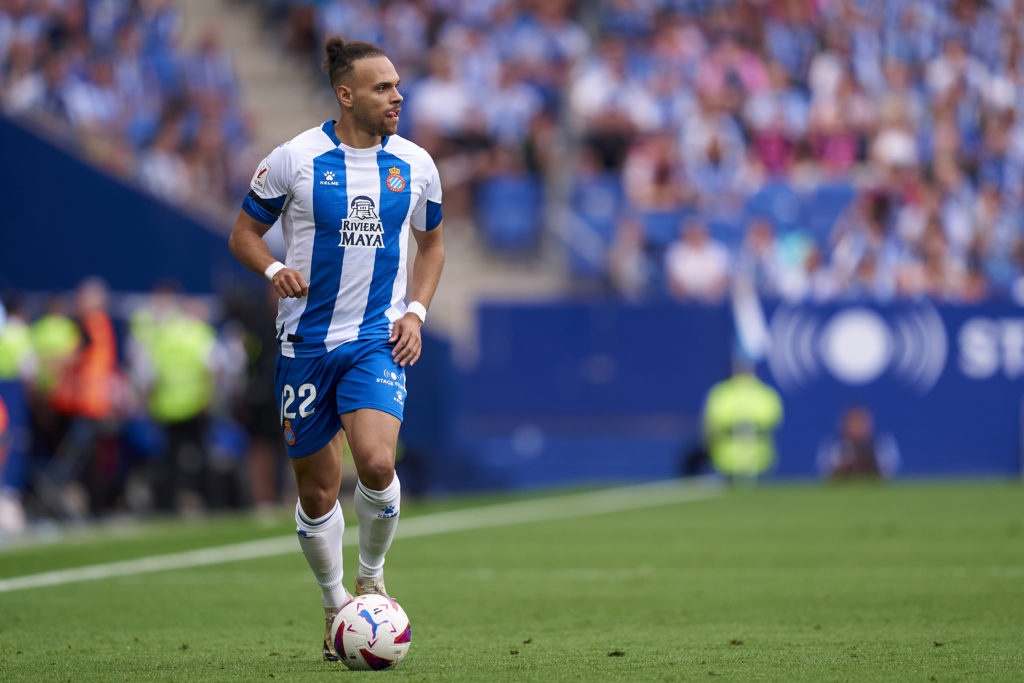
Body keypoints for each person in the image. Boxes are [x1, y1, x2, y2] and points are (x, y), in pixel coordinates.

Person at [228, 38, 445, 662]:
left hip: (377, 339)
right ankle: (333, 605)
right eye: (383, 88)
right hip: (304, 345)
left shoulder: (416, 165)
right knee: (319, 493)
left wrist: (416, 311)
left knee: (377, 464)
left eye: (398, 86)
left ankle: (371, 577)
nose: (397, 96)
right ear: (346, 95)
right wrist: (273, 271)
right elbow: (244, 233)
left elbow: (430, 244)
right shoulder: (294, 159)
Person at [702, 364, 783, 482]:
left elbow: (710, 425)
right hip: (759, 459)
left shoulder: (721, 392)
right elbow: (775, 422)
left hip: (727, 460)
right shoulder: (766, 393)